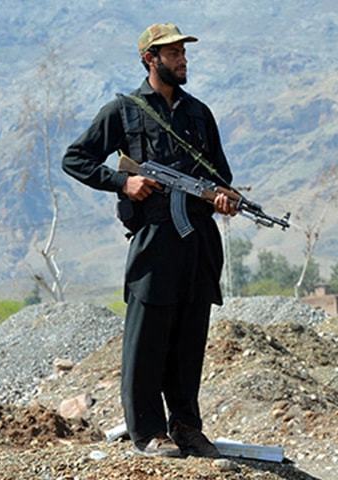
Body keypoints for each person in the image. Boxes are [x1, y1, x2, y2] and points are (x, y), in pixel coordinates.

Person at [62, 23, 236, 458]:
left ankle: (186, 426)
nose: (182, 60)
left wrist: (224, 198)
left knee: (188, 340)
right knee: (147, 342)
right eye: (173, 53)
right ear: (149, 59)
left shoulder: (199, 114)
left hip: (197, 240)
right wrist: (123, 183)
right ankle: (148, 432)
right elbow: (76, 159)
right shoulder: (124, 111)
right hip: (155, 241)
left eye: (183, 53)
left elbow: (220, 177)